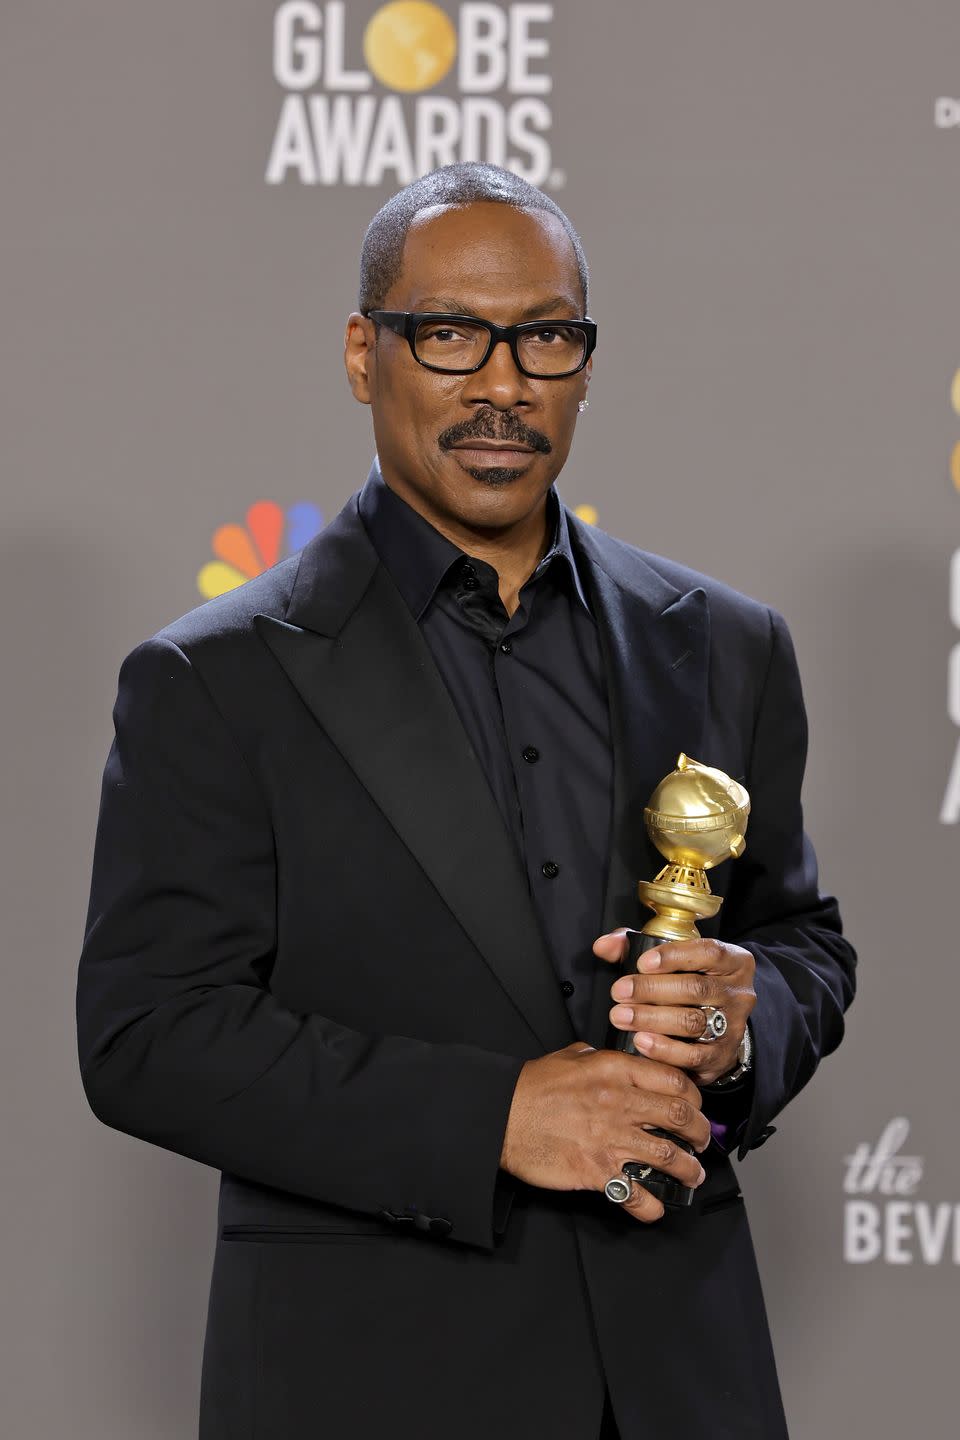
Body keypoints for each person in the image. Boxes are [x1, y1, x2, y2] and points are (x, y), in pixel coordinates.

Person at [76, 163, 856, 1440]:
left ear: (586, 365)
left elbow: (800, 942)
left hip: (684, 1376)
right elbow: (146, 1034)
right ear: (362, 353)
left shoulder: (726, 642)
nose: (503, 384)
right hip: (370, 1382)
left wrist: (740, 1020)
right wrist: (497, 1116)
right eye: (450, 334)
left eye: (546, 337)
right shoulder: (217, 678)